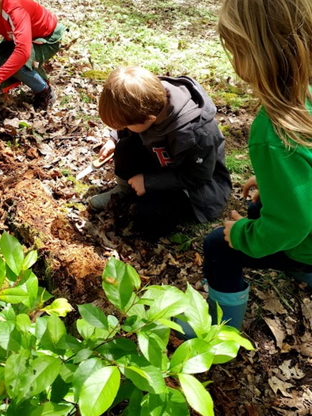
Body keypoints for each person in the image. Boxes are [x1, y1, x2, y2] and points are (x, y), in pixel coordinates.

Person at [202, 0, 312, 331]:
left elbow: (293, 223)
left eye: (236, 50)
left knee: (217, 245)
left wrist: (243, 235)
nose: (234, 61)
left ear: (258, 55)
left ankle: (220, 333)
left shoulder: (273, 131)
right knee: (257, 206)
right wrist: (275, 183)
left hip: (306, 240)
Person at [90, 66, 232, 238]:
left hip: (195, 188)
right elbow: (131, 122)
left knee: (149, 215)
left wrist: (150, 182)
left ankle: (144, 200)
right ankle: (124, 190)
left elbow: (198, 176)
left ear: (150, 119)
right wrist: (113, 139)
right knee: (124, 147)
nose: (123, 128)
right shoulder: (147, 99)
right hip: (162, 160)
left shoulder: (194, 133)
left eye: (125, 125)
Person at [0, 0, 65, 111]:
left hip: (46, 38)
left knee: (19, 67)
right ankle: (24, 77)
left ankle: (44, 91)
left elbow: (23, 52)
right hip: (20, 38)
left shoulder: (15, 9)